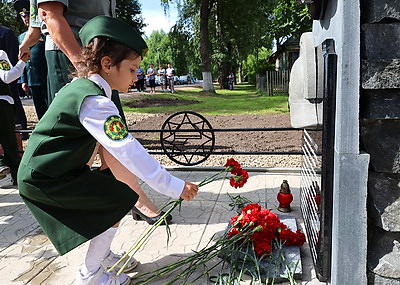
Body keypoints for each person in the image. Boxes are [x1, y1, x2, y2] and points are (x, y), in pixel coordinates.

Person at [17, 16, 199, 285]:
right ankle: (90, 275)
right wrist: (173, 185)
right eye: (133, 69)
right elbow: (128, 149)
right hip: (47, 178)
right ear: (107, 64)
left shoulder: (85, 90)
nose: (136, 77)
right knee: (115, 200)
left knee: (110, 193)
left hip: (54, 171)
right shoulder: (94, 101)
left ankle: (103, 256)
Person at [19, 0, 168, 224]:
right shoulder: (90, 81)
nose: (137, 78)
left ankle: (125, 198)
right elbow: (49, 14)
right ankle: (79, 206)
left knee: (110, 134)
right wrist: (86, 69)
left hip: (105, 61)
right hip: (74, 54)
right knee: (80, 140)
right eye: (135, 71)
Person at [0, 46, 30, 184]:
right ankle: (17, 174)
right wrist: (23, 61)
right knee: (9, 140)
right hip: (2, 102)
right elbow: (8, 77)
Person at [14, 0, 48, 119]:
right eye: (23, 16)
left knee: (50, 107)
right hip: (32, 78)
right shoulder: (22, 38)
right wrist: (24, 79)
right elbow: (22, 59)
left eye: (28, 15)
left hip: (46, 77)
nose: (26, 19)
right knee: (39, 109)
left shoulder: (44, 33)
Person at [0, 25, 28, 137]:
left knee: (14, 102)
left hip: (6, 75)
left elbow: (12, 54)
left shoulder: (5, 33)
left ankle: (21, 129)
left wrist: (14, 72)